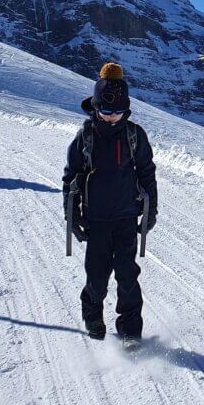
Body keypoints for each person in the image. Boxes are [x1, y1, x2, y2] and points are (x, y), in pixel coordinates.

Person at [62, 63, 158, 345]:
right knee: (97, 276)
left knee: (128, 276)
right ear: (95, 108)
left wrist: (150, 213)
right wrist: (73, 217)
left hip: (127, 217)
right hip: (97, 220)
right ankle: (93, 319)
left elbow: (147, 173)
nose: (112, 117)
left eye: (117, 112)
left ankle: (130, 332)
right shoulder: (86, 137)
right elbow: (71, 178)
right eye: (106, 111)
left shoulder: (134, 135)